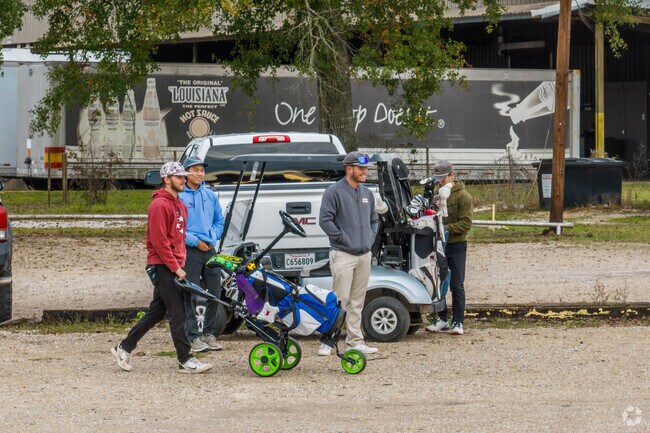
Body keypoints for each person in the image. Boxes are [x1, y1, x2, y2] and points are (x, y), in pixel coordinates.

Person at [111, 162, 213, 374]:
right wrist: (177, 268)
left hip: (175, 265)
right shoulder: (159, 206)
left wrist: (181, 262)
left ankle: (125, 346)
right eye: (179, 178)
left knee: (157, 311)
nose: (183, 180)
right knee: (179, 313)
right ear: (166, 179)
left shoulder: (180, 205)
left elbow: (178, 238)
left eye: (184, 177)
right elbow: (159, 242)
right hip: (163, 266)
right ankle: (185, 360)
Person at [318, 151, 379, 355]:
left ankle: (355, 341)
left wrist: (369, 239)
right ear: (349, 169)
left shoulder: (367, 194)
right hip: (343, 254)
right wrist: (344, 239)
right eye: (361, 168)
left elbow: (374, 220)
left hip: (363, 255)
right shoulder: (334, 192)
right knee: (339, 300)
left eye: (366, 169)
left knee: (357, 301)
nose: (365, 172)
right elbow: (325, 221)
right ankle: (328, 341)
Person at [179, 156, 225, 353]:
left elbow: (219, 221)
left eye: (202, 170)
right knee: (192, 293)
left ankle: (209, 333)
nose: (199, 174)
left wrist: (211, 238)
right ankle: (193, 336)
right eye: (195, 170)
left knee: (214, 291)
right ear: (186, 173)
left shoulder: (210, 195)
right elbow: (177, 227)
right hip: (190, 250)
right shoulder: (180, 196)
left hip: (210, 249)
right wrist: (195, 241)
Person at [425, 160, 472, 335]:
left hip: (457, 245)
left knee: (457, 285)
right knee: (439, 283)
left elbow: (466, 224)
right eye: (438, 179)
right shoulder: (438, 194)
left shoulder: (463, 197)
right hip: (439, 245)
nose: (440, 182)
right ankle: (442, 319)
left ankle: (458, 322)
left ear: (452, 175)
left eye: (443, 179)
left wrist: (445, 230)